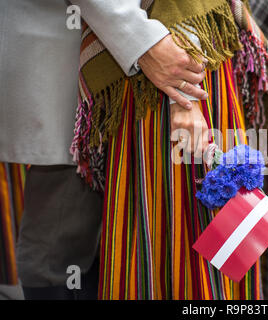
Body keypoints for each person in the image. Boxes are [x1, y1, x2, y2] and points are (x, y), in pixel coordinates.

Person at [0, 0, 208, 299]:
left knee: (127, 242)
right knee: (59, 249)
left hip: (148, 62)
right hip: (80, 61)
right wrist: (144, 43)